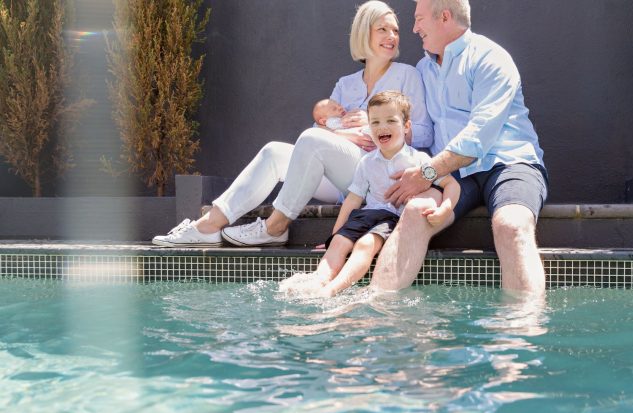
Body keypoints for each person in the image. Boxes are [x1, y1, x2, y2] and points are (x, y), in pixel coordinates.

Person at [152, 0, 432, 247]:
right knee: (275, 150)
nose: (392, 36)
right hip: (340, 177)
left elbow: (424, 133)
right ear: (364, 32)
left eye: (395, 30)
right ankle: (209, 226)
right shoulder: (345, 85)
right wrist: (346, 133)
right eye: (382, 29)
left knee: (311, 141)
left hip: (375, 175)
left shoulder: (407, 75)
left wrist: (371, 129)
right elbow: (315, 134)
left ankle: (275, 226)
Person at [369, 0, 549, 294]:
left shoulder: (492, 58)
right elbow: (419, 129)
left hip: (508, 163)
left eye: (419, 19)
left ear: (444, 17)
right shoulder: (423, 70)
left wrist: (425, 173)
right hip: (453, 175)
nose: (414, 29)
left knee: (512, 226)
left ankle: (519, 335)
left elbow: (478, 138)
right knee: (415, 211)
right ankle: (377, 317)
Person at [281, 91, 458, 297]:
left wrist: (445, 208)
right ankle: (320, 279)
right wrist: (335, 233)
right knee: (339, 242)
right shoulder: (367, 162)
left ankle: (332, 290)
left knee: (365, 244)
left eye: (391, 121)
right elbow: (354, 199)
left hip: (392, 218)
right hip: (367, 213)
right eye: (375, 122)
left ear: (406, 126)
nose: (382, 127)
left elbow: (452, 184)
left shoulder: (417, 160)